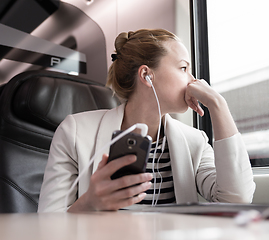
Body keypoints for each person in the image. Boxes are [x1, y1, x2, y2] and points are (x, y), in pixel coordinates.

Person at [38, 29, 256, 212]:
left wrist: (218, 106)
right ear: (146, 76)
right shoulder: (74, 132)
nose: (194, 80)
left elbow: (236, 200)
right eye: (183, 68)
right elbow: (45, 227)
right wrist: (89, 204)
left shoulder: (194, 141)